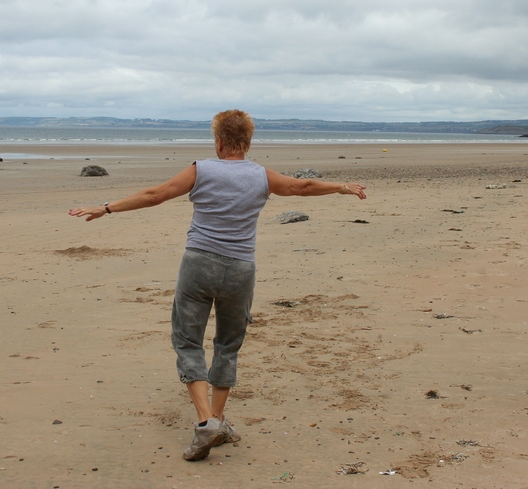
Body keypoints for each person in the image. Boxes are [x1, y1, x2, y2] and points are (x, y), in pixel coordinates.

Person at [69, 110, 366, 461]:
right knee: (228, 343)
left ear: (219, 141)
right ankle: (219, 420)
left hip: (199, 264)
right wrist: (342, 187)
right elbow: (301, 187)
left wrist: (107, 207)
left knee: (187, 339)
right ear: (249, 142)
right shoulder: (261, 176)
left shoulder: (202, 170)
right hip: (241, 269)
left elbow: (156, 195)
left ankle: (206, 421)